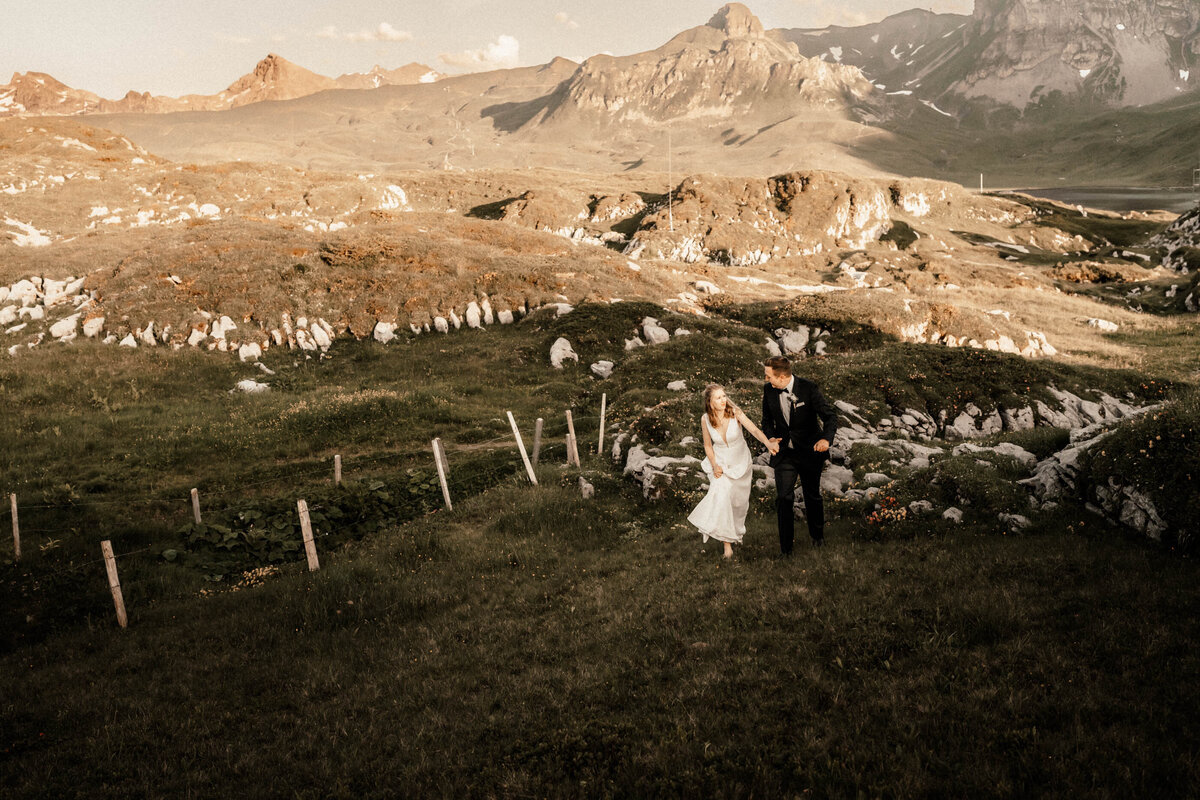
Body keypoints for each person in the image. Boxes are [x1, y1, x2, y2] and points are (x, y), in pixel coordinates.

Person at [687, 383, 778, 559]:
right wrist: (714, 465)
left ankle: (737, 531)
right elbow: (707, 445)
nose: (723, 400)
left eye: (724, 396)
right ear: (710, 402)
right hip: (720, 462)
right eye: (718, 397)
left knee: (738, 504)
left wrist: (768, 443)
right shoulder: (705, 419)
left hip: (740, 462)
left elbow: (754, 430)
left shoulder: (735, 412)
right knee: (721, 495)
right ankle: (727, 546)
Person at [761, 355, 838, 553]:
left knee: (812, 495)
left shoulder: (808, 388)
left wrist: (826, 440)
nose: (766, 379)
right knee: (783, 498)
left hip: (810, 451)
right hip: (784, 452)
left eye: (768, 376)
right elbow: (767, 420)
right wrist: (770, 438)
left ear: (782, 377)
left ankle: (817, 537)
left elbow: (829, 416)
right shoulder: (768, 390)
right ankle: (786, 549)